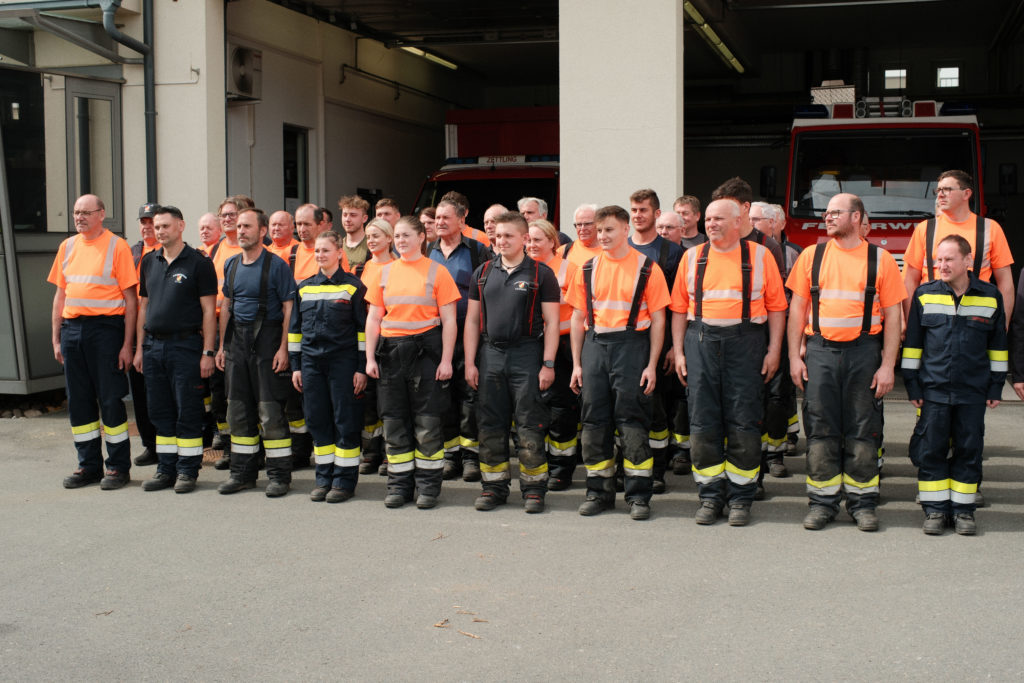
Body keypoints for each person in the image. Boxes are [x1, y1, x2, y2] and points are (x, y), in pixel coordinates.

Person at [787, 193, 906, 532]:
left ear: (857, 217)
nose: (828, 217)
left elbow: (895, 315)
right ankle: (822, 503)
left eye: (836, 212)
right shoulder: (812, 255)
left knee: (864, 429)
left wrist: (887, 366)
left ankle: (862, 504)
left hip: (864, 353)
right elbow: (797, 309)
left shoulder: (880, 259)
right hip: (821, 351)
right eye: (827, 212)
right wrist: (795, 356)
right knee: (821, 428)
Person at [671, 199, 787, 526]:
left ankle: (741, 498)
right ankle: (710, 496)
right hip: (701, 342)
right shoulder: (691, 257)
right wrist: (679, 352)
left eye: (718, 218)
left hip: (747, 343)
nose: (711, 224)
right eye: (708, 219)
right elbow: (679, 308)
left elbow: (778, 307)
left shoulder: (761, 256)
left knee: (744, 420)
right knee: (703, 421)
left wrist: (774, 350)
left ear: (738, 222)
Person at [566, 205, 671, 520]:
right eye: (599, 231)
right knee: (594, 423)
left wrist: (652, 364)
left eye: (608, 230)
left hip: (632, 347)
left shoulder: (647, 268)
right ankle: (598, 493)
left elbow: (659, 320)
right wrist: (577, 363)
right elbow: (576, 318)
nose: (602, 236)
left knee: (632, 422)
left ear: (626, 229)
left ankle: (639, 496)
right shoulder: (587, 268)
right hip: (595, 346)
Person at [902, 234, 1006, 535]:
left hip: (972, 391)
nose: (941, 265)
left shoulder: (990, 296)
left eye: (948, 259)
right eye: (938, 259)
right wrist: (912, 385)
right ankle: (935, 510)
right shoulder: (924, 294)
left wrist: (996, 386)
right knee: (932, 450)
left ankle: (963, 511)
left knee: (969, 450)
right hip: (933, 390)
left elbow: (997, 346)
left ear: (967, 261)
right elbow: (913, 346)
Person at [464, 212, 561, 513]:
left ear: (524, 239)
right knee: (490, 423)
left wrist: (548, 363)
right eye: (498, 236)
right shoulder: (482, 273)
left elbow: (553, 323)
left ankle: (533, 490)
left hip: (527, 355)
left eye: (509, 236)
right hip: (490, 355)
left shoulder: (540, 275)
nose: (501, 241)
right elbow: (471, 321)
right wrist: (470, 363)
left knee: (530, 424)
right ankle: (493, 487)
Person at [364, 215, 460, 509]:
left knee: (427, 423)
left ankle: (428, 487)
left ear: (422, 238)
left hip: (426, 353)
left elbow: (450, 320)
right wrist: (369, 358)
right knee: (394, 423)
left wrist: (446, 360)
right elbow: (373, 318)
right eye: (398, 236)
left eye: (407, 235)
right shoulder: (383, 273)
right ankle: (399, 486)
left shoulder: (437, 272)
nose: (401, 241)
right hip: (390, 354)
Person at [50, 194, 138, 490]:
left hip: (106, 330)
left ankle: (117, 468)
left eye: (86, 212)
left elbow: (131, 300)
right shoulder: (68, 246)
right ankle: (88, 465)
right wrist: (56, 339)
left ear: (101, 214)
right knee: (79, 401)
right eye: (76, 212)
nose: (79, 217)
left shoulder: (117, 246)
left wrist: (127, 345)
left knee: (111, 399)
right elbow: (60, 296)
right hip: (72, 330)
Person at [133, 205, 218, 493]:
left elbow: (209, 311)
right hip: (153, 345)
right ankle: (165, 469)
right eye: (157, 227)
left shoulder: (198, 262)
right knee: (159, 411)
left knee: (188, 410)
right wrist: (139, 349)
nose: (160, 232)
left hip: (186, 346)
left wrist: (207, 352)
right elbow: (143, 307)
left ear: (181, 226)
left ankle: (187, 470)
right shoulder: (148, 261)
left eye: (165, 226)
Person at [215, 208, 297, 497]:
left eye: (247, 226)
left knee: (270, 411)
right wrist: (223, 347)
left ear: (262, 231)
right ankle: (242, 474)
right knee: (237, 410)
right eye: (238, 226)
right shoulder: (231, 264)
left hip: (267, 342)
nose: (241, 231)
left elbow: (289, 308)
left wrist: (284, 349)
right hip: (237, 343)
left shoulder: (277, 266)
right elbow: (226, 305)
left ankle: (278, 476)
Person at [289, 230, 368, 503]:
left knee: (345, 420)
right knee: (317, 420)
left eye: (326, 250)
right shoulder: (304, 287)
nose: (321, 255)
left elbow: (362, 332)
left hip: (343, 363)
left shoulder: (354, 287)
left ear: (339, 254)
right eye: (317, 251)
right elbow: (295, 331)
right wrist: (296, 366)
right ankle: (324, 478)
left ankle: (344, 481)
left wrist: (361, 368)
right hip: (311, 364)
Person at [903, 170, 1014, 327]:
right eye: (938, 190)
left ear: (966, 194)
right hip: (931, 320)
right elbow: (909, 280)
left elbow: (1005, 282)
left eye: (947, 190)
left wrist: (1002, 325)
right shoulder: (925, 229)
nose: (940, 195)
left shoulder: (990, 229)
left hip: (977, 320)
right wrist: (910, 323)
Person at [430, 198, 490, 481]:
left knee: (469, 392)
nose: (439, 222)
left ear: (461, 219)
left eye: (445, 217)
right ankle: (450, 455)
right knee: (442, 396)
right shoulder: (424, 250)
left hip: (469, 331)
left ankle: (470, 457)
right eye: (437, 218)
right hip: (434, 333)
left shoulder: (478, 251)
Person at [628, 188, 684, 494]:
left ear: (656, 214)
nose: (638, 215)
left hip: (658, 344)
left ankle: (657, 469)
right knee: (627, 407)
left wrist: (676, 347)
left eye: (644, 210)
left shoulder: (672, 254)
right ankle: (631, 464)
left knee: (658, 408)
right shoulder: (619, 248)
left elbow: (679, 306)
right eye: (634, 210)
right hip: (625, 344)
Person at [526, 218, 580, 490]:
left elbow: (580, 311)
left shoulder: (569, 269)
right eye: (529, 240)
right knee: (534, 408)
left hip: (562, 346)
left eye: (538, 240)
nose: (532, 245)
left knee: (561, 410)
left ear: (552, 242)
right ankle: (538, 464)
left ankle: (562, 468)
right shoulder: (523, 268)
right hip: (530, 346)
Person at [208, 197, 247, 467]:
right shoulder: (213, 250)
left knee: (243, 392)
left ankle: (246, 449)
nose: (227, 219)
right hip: (218, 325)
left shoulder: (257, 249)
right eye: (223, 215)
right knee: (221, 391)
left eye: (232, 215)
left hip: (245, 327)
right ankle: (228, 442)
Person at [357, 218, 396, 477]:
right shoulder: (366, 266)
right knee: (368, 399)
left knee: (389, 400)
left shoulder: (397, 267)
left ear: (389, 239)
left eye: (376, 236)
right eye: (369, 236)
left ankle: (388, 453)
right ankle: (371, 451)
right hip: (367, 337)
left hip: (391, 339)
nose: (371, 241)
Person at [127, 203, 160, 468]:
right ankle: (150, 444)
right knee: (140, 392)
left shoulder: (170, 251)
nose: (147, 226)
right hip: (137, 329)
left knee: (163, 391)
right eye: (144, 222)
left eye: (152, 222)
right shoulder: (132, 252)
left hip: (163, 329)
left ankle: (167, 442)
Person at [562, 203, 602, 267]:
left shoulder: (610, 251)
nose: (582, 229)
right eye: (579, 225)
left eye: (587, 224)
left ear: (599, 224)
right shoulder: (564, 251)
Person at [339, 195, 371, 268]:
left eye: (353, 215)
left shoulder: (371, 244)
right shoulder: (337, 245)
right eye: (345, 215)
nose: (347, 219)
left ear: (364, 218)